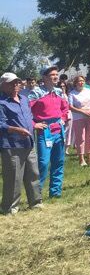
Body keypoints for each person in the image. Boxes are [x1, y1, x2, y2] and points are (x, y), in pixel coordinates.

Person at [0, 73, 43, 215]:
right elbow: (1, 124)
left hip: (29, 142)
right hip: (12, 145)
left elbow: (28, 117)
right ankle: (10, 208)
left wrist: (34, 125)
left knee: (33, 173)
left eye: (17, 82)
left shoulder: (24, 99)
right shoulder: (1, 102)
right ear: (3, 85)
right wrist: (16, 130)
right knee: (13, 177)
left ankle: (35, 202)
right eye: (12, 83)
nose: (16, 85)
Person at [28, 66, 69, 199]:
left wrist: (63, 118)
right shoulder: (36, 93)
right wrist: (35, 124)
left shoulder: (58, 91)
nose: (56, 76)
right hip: (44, 131)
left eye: (57, 74)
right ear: (44, 77)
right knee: (43, 163)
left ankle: (55, 192)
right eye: (52, 74)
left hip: (59, 130)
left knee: (59, 161)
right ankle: (36, 194)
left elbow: (65, 107)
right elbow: (25, 111)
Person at [68, 74, 90, 166]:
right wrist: (82, 111)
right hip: (79, 118)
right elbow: (70, 106)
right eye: (79, 81)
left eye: (82, 81)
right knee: (80, 138)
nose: (81, 83)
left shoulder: (89, 91)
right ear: (75, 83)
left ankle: (89, 158)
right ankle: (81, 159)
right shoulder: (72, 93)